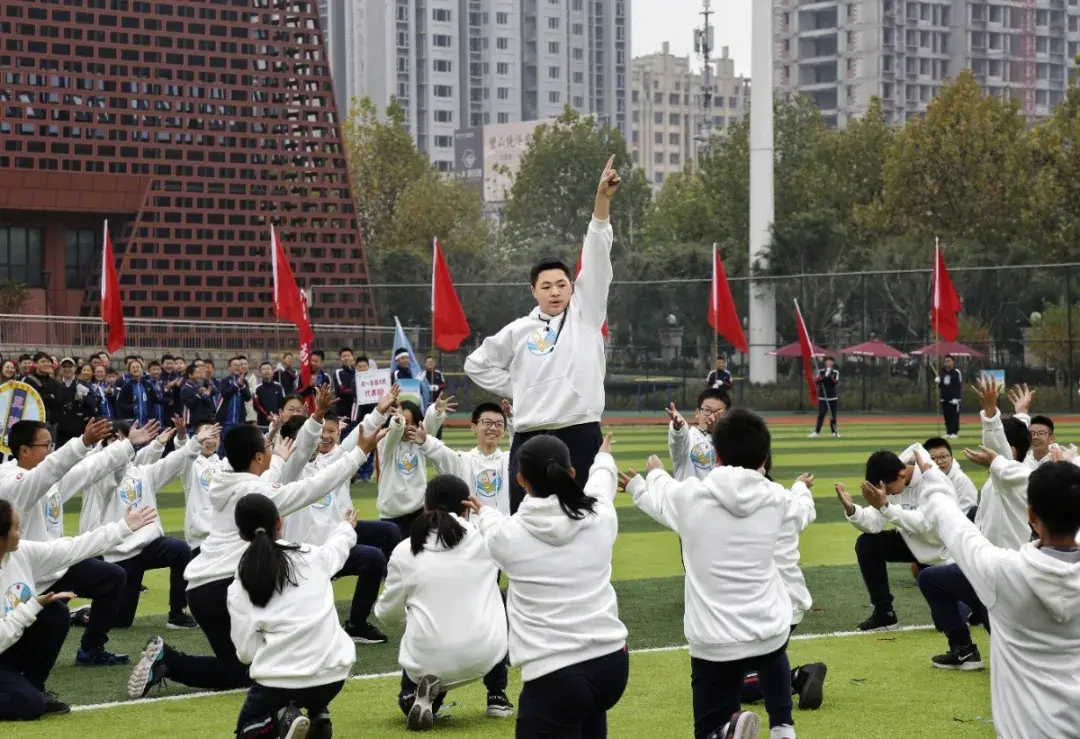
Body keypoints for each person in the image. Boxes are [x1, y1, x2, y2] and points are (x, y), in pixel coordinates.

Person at [126, 403, 381, 699]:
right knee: (254, 669)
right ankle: (172, 662)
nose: (272, 449)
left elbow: (260, 479)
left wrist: (279, 458)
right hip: (226, 587)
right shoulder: (255, 493)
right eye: (267, 447)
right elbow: (311, 488)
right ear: (258, 457)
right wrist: (359, 454)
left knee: (236, 669)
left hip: (200, 590)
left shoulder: (225, 478)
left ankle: (166, 660)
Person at [621, 409, 796, 739]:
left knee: (708, 730)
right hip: (769, 630)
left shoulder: (690, 497)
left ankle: (727, 732)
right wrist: (800, 489)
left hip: (715, 641)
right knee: (773, 653)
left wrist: (647, 479)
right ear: (764, 459)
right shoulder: (777, 497)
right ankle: (783, 728)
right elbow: (802, 510)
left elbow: (662, 493)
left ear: (715, 454)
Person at [465, 156, 620, 514]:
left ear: (572, 287)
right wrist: (518, 386)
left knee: (586, 521)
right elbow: (476, 364)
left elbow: (597, 256)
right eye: (546, 286)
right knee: (524, 521)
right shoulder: (519, 330)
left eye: (562, 284)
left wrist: (602, 202)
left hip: (580, 431)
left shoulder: (586, 314)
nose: (555, 292)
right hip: (530, 437)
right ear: (533, 291)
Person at [472, 433, 628, 739]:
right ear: (571, 472)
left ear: (521, 480)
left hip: (555, 676)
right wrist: (604, 456)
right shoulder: (600, 515)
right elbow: (601, 482)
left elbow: (491, 529)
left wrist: (484, 511)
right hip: (612, 665)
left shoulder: (508, 537)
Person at [916, 451, 1080, 739]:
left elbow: (953, 525)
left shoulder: (1002, 572)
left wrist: (931, 476)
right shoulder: (1003, 570)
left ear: (1031, 515)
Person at [2, 418, 156, 666]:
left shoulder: (49, 479)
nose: (51, 451)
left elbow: (89, 469)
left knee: (112, 577)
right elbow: (46, 472)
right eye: (45, 445)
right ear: (24, 450)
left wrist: (128, 445)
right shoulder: (11, 483)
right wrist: (82, 442)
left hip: (55, 562)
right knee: (52, 618)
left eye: (52, 445)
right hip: (27, 573)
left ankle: (91, 649)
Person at [0, 499, 158, 720]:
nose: (21, 532)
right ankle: (30, 696)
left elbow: (72, 548)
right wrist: (32, 606)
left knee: (55, 613)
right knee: (29, 705)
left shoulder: (21, 552)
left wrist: (122, 528)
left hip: (10, 649)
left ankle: (35, 687)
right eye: (16, 528)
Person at [915, 376, 1033, 672]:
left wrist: (991, 414)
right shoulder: (1013, 475)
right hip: (983, 567)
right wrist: (1020, 414)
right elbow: (1014, 446)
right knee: (931, 579)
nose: (984, 449)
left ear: (1011, 452)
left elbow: (1002, 454)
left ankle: (1018, 656)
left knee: (1010, 644)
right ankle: (964, 649)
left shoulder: (1009, 480)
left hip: (1002, 575)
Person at [376, 475, 511, 730]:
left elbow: (387, 615)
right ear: (467, 507)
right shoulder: (485, 539)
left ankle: (415, 698)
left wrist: (411, 614)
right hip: (485, 654)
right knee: (499, 597)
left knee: (422, 628)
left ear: (424, 507)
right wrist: (487, 512)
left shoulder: (405, 550)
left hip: (428, 659)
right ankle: (497, 695)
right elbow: (510, 536)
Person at [229, 493, 358, 739]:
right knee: (308, 686)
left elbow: (246, 653)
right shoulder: (313, 555)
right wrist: (346, 526)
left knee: (247, 729)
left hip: (281, 682)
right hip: (334, 675)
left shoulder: (240, 582)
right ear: (280, 522)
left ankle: (282, 718)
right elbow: (338, 547)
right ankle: (318, 717)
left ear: (241, 534)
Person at [80, 421, 219, 631]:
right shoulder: (100, 477)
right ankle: (83, 614)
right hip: (120, 554)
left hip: (149, 546)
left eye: (122, 439)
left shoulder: (142, 473)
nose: (119, 444)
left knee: (180, 550)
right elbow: (108, 467)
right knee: (121, 622)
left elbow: (173, 462)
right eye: (114, 440)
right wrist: (132, 447)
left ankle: (177, 614)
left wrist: (195, 442)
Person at [278, 412, 395, 644]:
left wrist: (378, 414)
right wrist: (317, 416)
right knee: (304, 631)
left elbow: (349, 448)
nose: (318, 441)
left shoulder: (324, 463)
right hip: (301, 560)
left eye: (322, 435)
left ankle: (357, 625)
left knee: (374, 557)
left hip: (330, 550)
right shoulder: (286, 473)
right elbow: (300, 453)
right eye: (312, 437)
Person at [837, 446, 952, 632]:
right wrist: (851, 509)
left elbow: (926, 525)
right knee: (867, 544)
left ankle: (971, 603)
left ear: (902, 474)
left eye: (889, 489)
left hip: (941, 551)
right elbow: (874, 523)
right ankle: (885, 614)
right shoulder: (892, 479)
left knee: (948, 623)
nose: (888, 494)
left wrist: (886, 507)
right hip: (911, 543)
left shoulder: (932, 479)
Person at [413, 402, 513, 515]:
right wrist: (425, 441)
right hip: (472, 525)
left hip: (503, 524)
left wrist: (511, 419)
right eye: (487, 423)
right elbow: (440, 454)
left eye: (499, 424)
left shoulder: (509, 460)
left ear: (504, 431)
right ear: (474, 427)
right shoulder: (463, 461)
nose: (493, 428)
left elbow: (521, 445)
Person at [374, 398, 448, 539]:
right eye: (405, 422)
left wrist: (436, 412)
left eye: (412, 423)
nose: (408, 427)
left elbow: (428, 426)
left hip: (417, 511)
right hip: (391, 514)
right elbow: (394, 433)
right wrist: (398, 422)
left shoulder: (419, 441)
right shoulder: (385, 443)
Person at [665, 389, 730, 482]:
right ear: (697, 413)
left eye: (718, 413)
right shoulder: (689, 439)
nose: (712, 416)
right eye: (707, 410)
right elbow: (678, 440)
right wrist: (678, 428)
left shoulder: (732, 443)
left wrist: (716, 434)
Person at [181, 419, 224, 558]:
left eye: (215, 436)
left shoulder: (225, 466)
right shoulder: (190, 466)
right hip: (198, 538)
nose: (210, 440)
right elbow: (183, 453)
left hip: (222, 536)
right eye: (206, 436)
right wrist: (181, 436)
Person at [922, 437, 979, 517]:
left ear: (951, 459)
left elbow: (966, 512)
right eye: (933, 458)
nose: (939, 462)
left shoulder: (961, 480)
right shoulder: (921, 479)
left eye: (943, 457)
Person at [54, 357, 97, 447]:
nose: (67, 369)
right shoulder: (56, 384)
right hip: (61, 428)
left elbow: (93, 404)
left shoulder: (82, 384)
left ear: (75, 368)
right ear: (61, 369)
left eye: (70, 366)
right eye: (64, 367)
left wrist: (83, 399)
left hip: (79, 427)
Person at [217, 357, 253, 445]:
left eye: (239, 365)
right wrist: (236, 385)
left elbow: (248, 397)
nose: (237, 367)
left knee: (238, 444)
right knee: (225, 444)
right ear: (229, 368)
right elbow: (224, 394)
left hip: (240, 420)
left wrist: (242, 386)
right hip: (226, 420)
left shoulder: (244, 381)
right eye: (235, 365)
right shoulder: (225, 381)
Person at [118, 359, 162, 427]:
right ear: (129, 371)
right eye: (133, 368)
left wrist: (170, 400)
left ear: (142, 369)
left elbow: (155, 400)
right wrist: (130, 407)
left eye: (138, 367)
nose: (135, 369)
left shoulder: (147, 384)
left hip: (147, 422)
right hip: (132, 422)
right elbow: (120, 403)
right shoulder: (126, 386)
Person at [808, 357, 839, 439]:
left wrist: (829, 378)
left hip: (832, 397)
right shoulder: (820, 371)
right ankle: (817, 432)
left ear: (832, 363)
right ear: (825, 362)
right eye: (827, 361)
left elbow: (835, 382)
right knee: (821, 414)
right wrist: (822, 379)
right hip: (823, 397)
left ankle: (834, 432)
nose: (828, 362)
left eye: (830, 361)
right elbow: (817, 381)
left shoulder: (835, 372)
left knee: (833, 416)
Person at [935, 355, 962, 438]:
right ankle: (949, 432)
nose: (947, 363)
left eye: (949, 361)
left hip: (954, 399)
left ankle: (954, 432)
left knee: (954, 416)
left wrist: (957, 398)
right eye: (946, 361)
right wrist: (938, 381)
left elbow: (959, 385)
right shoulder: (943, 373)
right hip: (945, 398)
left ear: (953, 361)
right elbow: (941, 386)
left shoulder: (956, 372)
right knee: (947, 416)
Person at [253, 362, 285, 429]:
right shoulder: (257, 388)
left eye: (268, 369)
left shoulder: (279, 386)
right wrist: (267, 415)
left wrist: (278, 415)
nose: (266, 371)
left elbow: (283, 402)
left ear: (272, 371)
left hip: (278, 421)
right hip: (263, 423)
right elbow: (257, 405)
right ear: (260, 373)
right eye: (264, 369)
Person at [333, 348, 357, 420]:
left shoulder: (357, 372)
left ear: (353, 357)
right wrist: (358, 391)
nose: (346, 358)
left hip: (356, 412)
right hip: (343, 412)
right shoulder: (338, 372)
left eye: (348, 356)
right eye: (344, 356)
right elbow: (342, 390)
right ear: (340, 359)